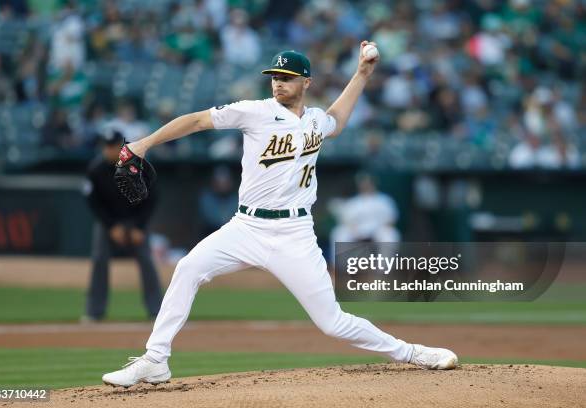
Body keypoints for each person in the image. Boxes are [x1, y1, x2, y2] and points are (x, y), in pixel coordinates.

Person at [102, 42, 458, 388]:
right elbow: (196, 121)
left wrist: (362, 73)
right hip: (246, 226)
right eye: (275, 76)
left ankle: (412, 353)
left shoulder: (316, 121)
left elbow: (336, 118)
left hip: (295, 233)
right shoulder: (254, 111)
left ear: (306, 83)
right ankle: (155, 360)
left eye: (287, 77)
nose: (278, 82)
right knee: (188, 268)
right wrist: (142, 144)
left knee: (332, 322)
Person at [83, 129, 162, 322]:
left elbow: (152, 198)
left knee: (146, 260)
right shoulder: (95, 170)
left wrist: (139, 227)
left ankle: (157, 311)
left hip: (135, 221)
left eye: (113, 146)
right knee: (99, 258)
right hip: (109, 222)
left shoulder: (137, 165)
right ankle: (94, 311)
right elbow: (93, 203)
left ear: (122, 146)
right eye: (107, 146)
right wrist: (111, 226)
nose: (110, 150)